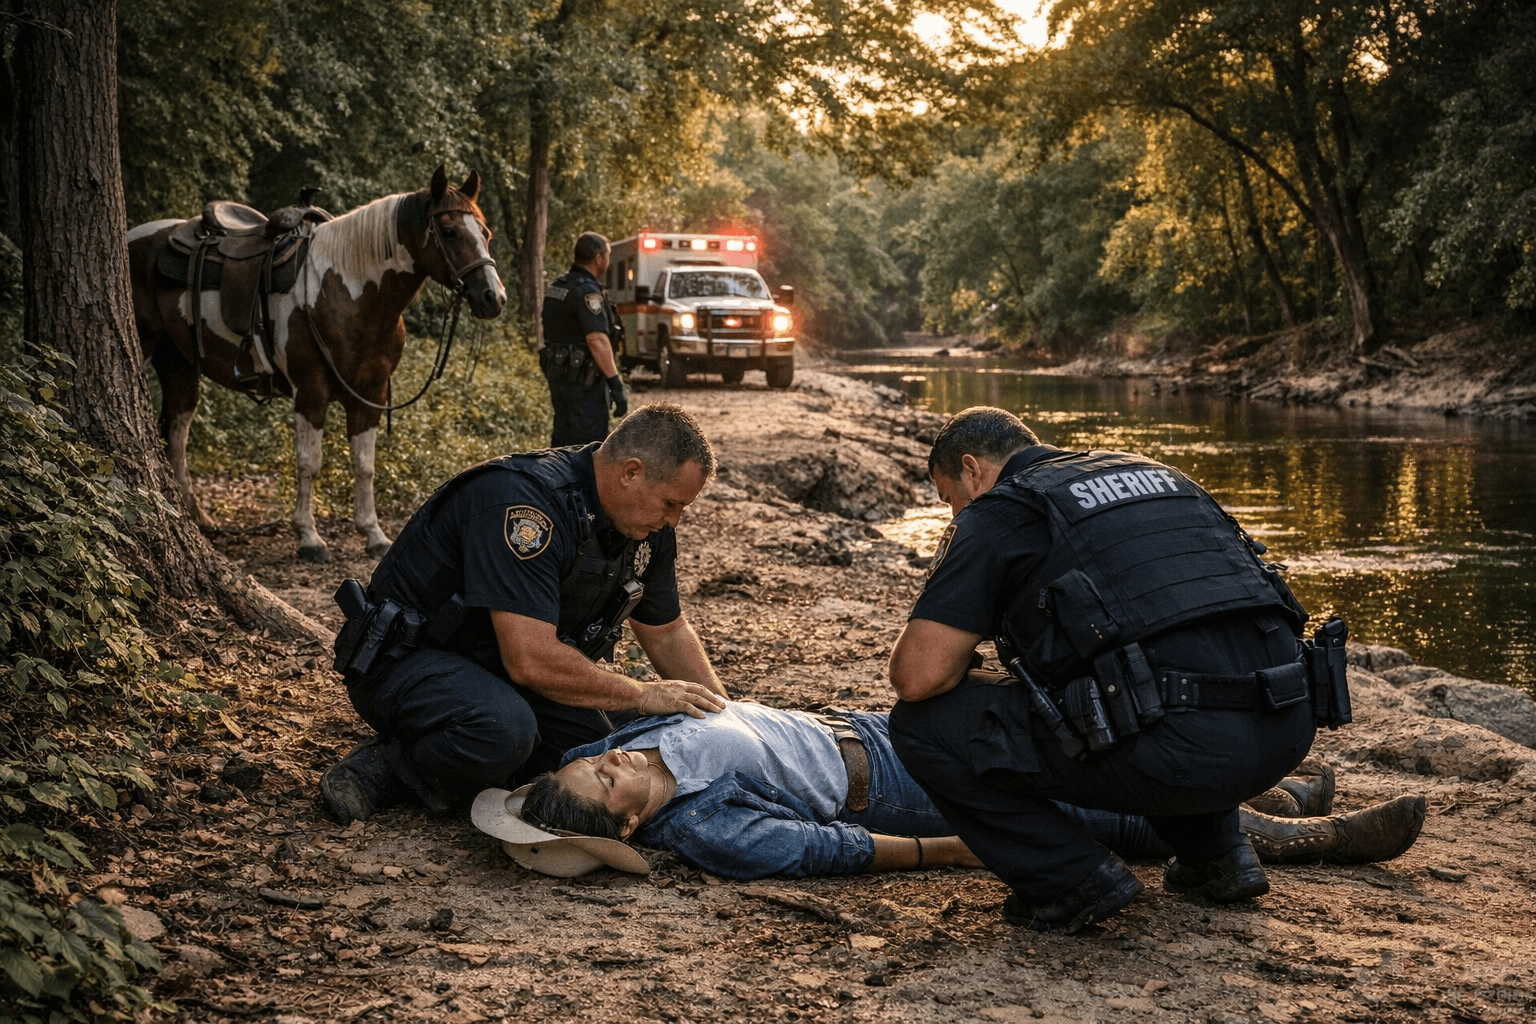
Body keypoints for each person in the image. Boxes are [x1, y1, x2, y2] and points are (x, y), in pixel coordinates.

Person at [886, 406, 1329, 933]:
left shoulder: (1001, 511)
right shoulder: (1159, 476)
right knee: (1152, 676)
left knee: (920, 725)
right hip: (1287, 727)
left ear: (972, 469)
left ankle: (1070, 881)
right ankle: (1217, 858)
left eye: (949, 499)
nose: (953, 514)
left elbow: (917, 677)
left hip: (1182, 750)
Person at [476, 696, 1424, 881]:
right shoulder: (703, 829)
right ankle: (1311, 837)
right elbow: (829, 849)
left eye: (593, 762)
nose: (609, 762)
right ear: (631, 822)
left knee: (1063, 743)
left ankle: (1271, 791)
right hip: (888, 793)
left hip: (872, 730)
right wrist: (957, 848)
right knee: (1087, 809)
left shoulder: (643, 736)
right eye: (604, 781)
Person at [320, 403, 728, 824]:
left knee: (594, 747)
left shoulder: (643, 524)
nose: (675, 519)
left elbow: (666, 631)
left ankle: (469, 749)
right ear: (631, 472)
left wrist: (729, 718)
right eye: (671, 503)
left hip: (496, 665)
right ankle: (390, 768)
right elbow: (530, 658)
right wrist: (642, 693)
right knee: (502, 730)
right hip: (408, 661)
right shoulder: (525, 504)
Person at [541, 231, 627, 446]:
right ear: (598, 259)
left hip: (560, 377)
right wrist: (616, 384)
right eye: (607, 255)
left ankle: (558, 479)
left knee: (562, 440)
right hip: (585, 384)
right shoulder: (587, 292)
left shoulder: (558, 286)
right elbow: (597, 339)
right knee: (587, 447)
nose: (608, 260)